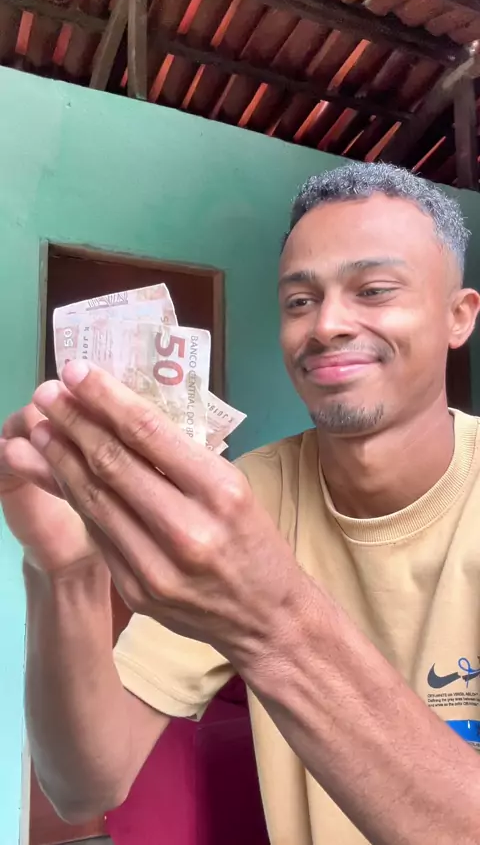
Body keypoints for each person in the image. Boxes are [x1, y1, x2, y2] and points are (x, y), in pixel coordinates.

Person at [2, 162, 480, 845]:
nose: (327, 325)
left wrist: (269, 621)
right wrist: (64, 570)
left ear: (459, 316)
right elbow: (85, 784)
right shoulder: (244, 496)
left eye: (373, 290)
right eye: (299, 301)